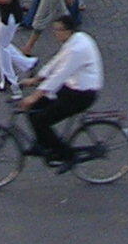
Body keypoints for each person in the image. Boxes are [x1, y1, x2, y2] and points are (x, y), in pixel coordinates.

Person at [21, 14, 100, 169]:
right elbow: (56, 61)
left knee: (41, 120)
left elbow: (59, 75)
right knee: (33, 110)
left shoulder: (77, 49)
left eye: (59, 30)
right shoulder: (74, 41)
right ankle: (44, 143)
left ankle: (65, 155)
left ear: (69, 31)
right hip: (72, 87)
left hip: (82, 94)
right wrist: (37, 78)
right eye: (54, 29)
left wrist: (35, 95)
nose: (55, 33)